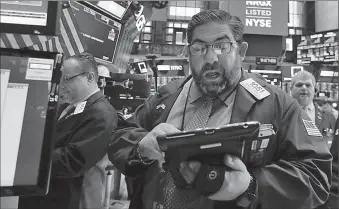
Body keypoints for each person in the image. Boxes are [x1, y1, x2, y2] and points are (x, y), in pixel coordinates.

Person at [107, 10, 332, 209]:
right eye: (199, 48)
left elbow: (316, 175)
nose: (210, 57)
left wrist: (251, 186)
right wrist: (140, 147)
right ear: (189, 53)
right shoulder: (166, 96)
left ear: (241, 51)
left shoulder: (277, 103)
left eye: (222, 46)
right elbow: (119, 136)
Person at [18, 52, 118, 209]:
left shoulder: (102, 114)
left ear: (90, 78)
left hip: (71, 199)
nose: (61, 84)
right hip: (46, 196)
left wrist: (27, 160)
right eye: (60, 78)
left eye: (67, 79)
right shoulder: (68, 106)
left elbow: (73, 160)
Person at [290, 71, 336, 145]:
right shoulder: (282, 115)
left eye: (308, 85)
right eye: (299, 85)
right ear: (291, 89)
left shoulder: (329, 118)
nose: (304, 88)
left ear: (315, 90)